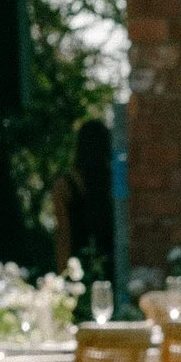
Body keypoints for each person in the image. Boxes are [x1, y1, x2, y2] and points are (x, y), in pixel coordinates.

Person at [49, 118, 116, 277]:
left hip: (77, 267)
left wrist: (61, 274)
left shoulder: (65, 185)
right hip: (110, 264)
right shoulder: (114, 182)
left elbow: (63, 233)